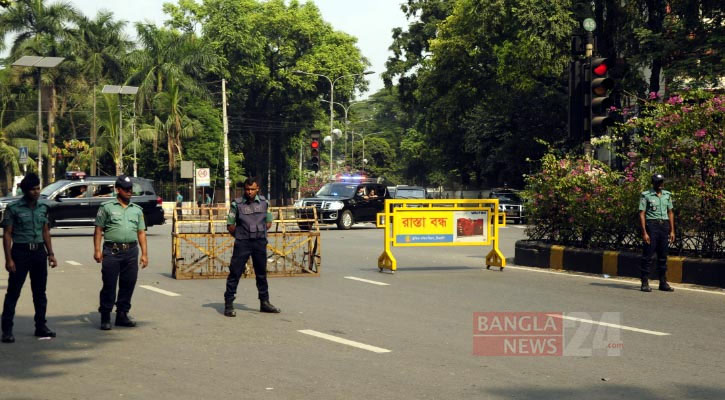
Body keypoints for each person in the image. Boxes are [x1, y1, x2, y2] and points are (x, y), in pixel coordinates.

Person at [1, 173, 58, 343]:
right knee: (13, 292)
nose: (36, 192)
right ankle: (7, 330)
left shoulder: (43, 207)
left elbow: (45, 231)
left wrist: (51, 254)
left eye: (38, 188)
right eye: (32, 189)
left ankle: (41, 326)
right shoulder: (14, 208)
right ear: (25, 191)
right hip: (20, 252)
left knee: (40, 292)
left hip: (39, 253)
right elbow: (7, 234)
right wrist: (9, 259)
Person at [93, 175, 149, 330]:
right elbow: (98, 230)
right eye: (126, 189)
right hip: (112, 251)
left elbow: (141, 233)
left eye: (130, 189)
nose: (129, 192)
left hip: (131, 251)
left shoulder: (137, 210)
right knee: (109, 284)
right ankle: (105, 315)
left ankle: (122, 314)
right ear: (118, 190)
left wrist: (144, 254)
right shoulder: (107, 207)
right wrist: (97, 250)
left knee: (128, 283)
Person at [223, 177, 280, 317]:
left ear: (257, 188)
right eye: (247, 189)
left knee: (261, 273)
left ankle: (264, 302)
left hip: (259, 242)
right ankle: (229, 304)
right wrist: (241, 236)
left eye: (252, 189)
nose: (249, 192)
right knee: (235, 273)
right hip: (243, 242)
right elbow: (230, 225)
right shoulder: (236, 204)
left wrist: (259, 231)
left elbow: (268, 222)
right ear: (244, 190)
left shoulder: (264, 203)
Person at [638, 173, 675, 293]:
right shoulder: (646, 195)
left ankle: (663, 282)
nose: (661, 184)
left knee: (663, 256)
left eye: (662, 182)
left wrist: (672, 230)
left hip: (663, 226)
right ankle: (644, 282)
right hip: (652, 226)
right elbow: (642, 213)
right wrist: (644, 232)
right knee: (648, 255)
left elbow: (670, 212)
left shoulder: (667, 195)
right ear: (653, 183)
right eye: (658, 182)